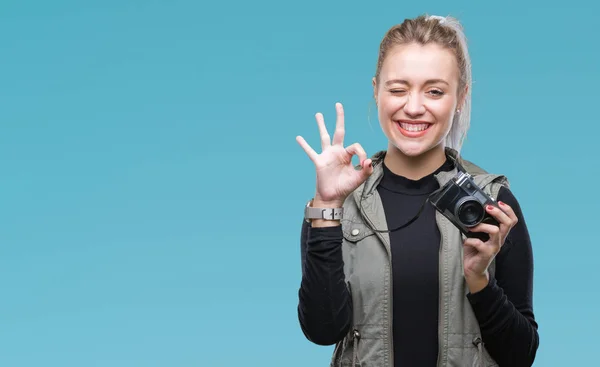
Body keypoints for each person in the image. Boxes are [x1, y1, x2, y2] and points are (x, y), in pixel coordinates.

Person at [295, 14, 539, 367]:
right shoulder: (336, 204)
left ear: (460, 98)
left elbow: (521, 355)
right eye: (397, 89)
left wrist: (479, 280)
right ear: (376, 91)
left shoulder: (492, 202)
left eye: (435, 91)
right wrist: (328, 206)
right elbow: (321, 330)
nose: (413, 106)